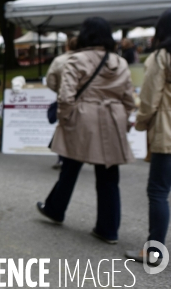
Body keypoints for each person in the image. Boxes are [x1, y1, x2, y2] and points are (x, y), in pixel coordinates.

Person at [36, 17, 135, 245]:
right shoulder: (120, 62)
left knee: (70, 167)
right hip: (111, 120)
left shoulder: (76, 59)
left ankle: (55, 209)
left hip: (82, 118)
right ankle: (108, 229)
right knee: (109, 177)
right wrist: (123, 118)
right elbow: (129, 98)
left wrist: (65, 118)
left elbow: (66, 95)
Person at [125, 9, 171, 264]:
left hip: (167, 132)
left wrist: (140, 123)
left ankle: (154, 252)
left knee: (158, 192)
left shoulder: (161, 57)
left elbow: (150, 98)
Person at [45, 36, 78, 169]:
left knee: (63, 129)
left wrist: (58, 90)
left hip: (63, 99)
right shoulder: (88, 60)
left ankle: (62, 158)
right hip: (83, 101)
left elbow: (50, 80)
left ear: (67, 46)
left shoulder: (59, 61)